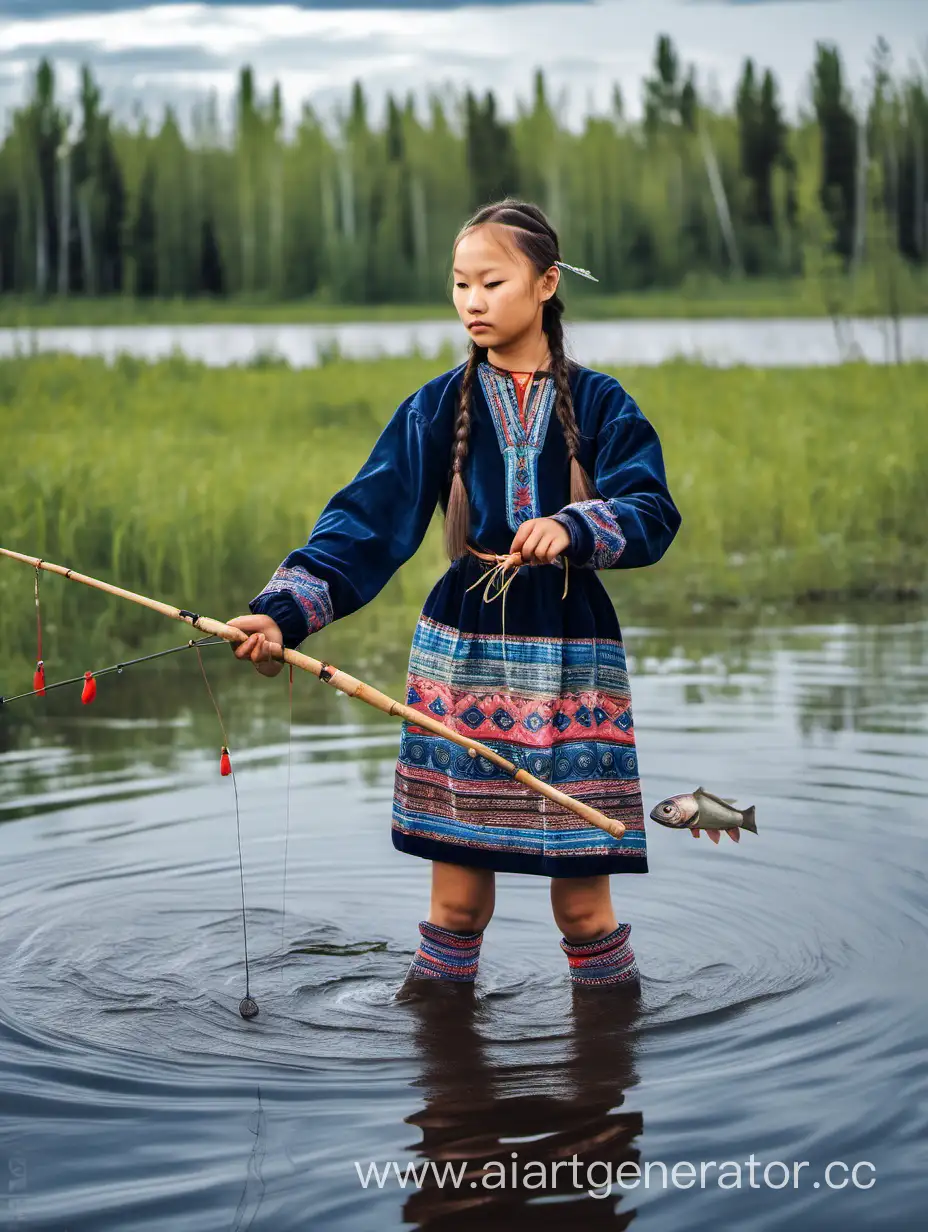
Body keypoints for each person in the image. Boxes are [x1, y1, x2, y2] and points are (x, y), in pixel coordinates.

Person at [228, 199, 681, 992]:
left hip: (574, 659)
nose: (471, 300)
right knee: (457, 905)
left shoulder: (604, 403)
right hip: (462, 656)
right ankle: (444, 1083)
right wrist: (282, 614)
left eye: (491, 282)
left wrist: (577, 526)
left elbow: (652, 511)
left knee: (584, 912)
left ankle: (608, 1092)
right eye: (459, 284)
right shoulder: (438, 405)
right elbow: (366, 522)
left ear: (545, 284)